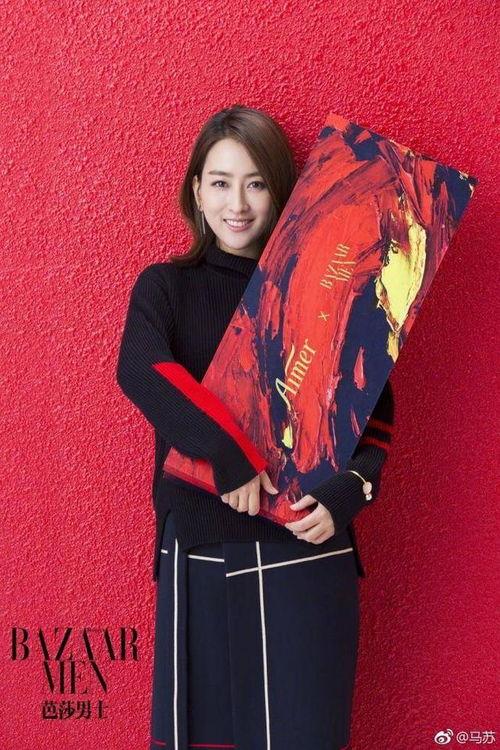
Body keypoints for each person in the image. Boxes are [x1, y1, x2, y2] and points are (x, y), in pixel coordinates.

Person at [116, 105, 394, 750]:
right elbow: (142, 370)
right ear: (196, 190)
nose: (236, 204)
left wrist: (350, 493)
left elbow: (376, 425)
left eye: (256, 183)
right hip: (202, 541)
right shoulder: (166, 287)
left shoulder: (332, 291)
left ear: (281, 191)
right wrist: (229, 454)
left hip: (306, 548)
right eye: (220, 182)